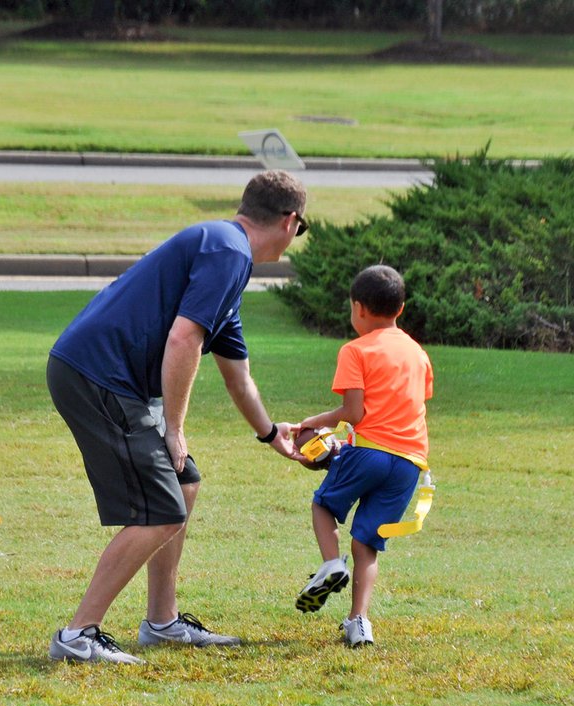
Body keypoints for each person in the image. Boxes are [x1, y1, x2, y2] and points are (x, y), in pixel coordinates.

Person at [46, 169, 306, 664]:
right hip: (99, 376)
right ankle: (78, 635)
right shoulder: (227, 252)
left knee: (183, 484)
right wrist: (174, 428)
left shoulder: (225, 255)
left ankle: (162, 622)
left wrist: (272, 433)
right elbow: (183, 339)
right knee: (161, 508)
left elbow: (238, 376)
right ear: (290, 221)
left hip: (103, 376)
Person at [293, 265, 433, 647]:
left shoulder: (355, 350)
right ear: (400, 309)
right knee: (367, 542)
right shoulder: (418, 354)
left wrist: (315, 422)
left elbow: (353, 414)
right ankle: (359, 622)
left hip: (370, 453)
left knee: (323, 505)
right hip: (410, 463)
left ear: (359, 308)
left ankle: (331, 565)